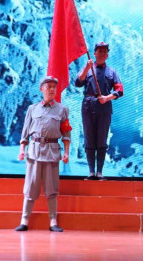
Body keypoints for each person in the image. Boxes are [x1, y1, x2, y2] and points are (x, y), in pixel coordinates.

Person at [15, 76, 71, 232]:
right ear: (41, 89)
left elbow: (66, 133)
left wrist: (66, 152)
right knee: (30, 187)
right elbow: (25, 131)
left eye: (54, 86)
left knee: (52, 189)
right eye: (48, 86)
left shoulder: (62, 110)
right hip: (34, 152)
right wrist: (22, 149)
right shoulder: (32, 109)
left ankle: (53, 221)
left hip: (52, 152)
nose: (52, 89)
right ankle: (24, 220)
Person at [74, 41, 123, 180]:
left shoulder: (112, 72)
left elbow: (120, 90)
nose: (102, 53)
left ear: (107, 55)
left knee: (102, 139)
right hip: (88, 106)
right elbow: (78, 83)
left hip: (104, 107)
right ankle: (91, 172)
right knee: (89, 138)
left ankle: (100, 172)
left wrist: (107, 98)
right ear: (94, 53)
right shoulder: (87, 68)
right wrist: (86, 68)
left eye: (104, 51)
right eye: (99, 51)